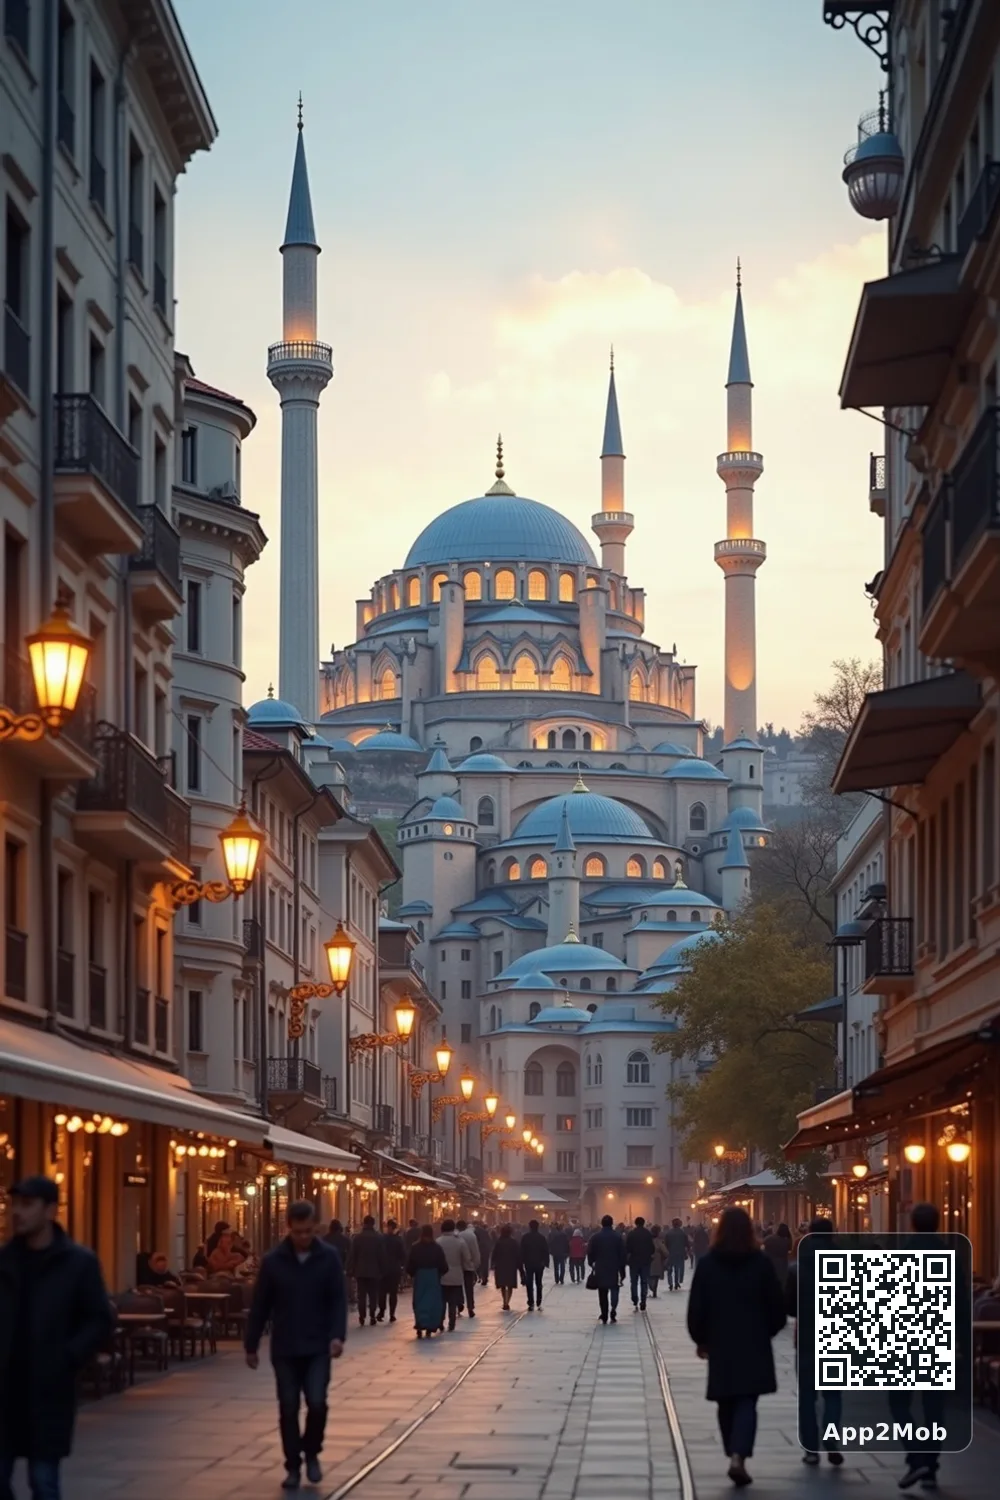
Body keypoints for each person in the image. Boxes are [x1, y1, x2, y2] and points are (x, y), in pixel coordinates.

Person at [0, 1176, 112, 1500]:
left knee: (44, 1480)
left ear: (50, 1211)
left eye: (26, 1205)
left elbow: (98, 1319)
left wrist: (67, 1358)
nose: (16, 1213)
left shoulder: (77, 1264)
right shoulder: (5, 1261)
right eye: (13, 1205)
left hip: (47, 1391)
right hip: (5, 1389)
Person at [245, 1201, 346, 1492]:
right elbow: (261, 1304)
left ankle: (312, 1452)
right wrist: (251, 1344)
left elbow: (337, 1300)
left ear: (315, 1228)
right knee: (288, 1407)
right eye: (298, 1232)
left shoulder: (328, 1257)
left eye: (308, 1232)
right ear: (289, 1228)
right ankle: (292, 1465)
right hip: (286, 1346)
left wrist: (337, 1335)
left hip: (318, 1346)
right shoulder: (274, 1261)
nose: (304, 1237)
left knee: (316, 1402)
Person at [686, 1206, 786, 1490]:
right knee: (747, 1401)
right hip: (753, 1343)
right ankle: (739, 1455)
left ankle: (733, 1451)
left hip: (721, 1344)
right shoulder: (761, 1263)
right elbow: (776, 1306)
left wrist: (701, 1339)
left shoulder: (707, 1264)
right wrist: (767, 1331)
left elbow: (697, 1308)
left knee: (725, 1400)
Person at [784, 1216, 843, 1469]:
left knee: (807, 1396)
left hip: (807, 1337)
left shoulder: (797, 1268)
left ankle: (810, 1447)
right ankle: (831, 1439)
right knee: (833, 1395)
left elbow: (789, 1307)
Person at [407, 1225, 448, 1337]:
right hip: (433, 1277)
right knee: (433, 1302)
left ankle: (420, 1324)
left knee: (419, 1301)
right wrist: (439, 1273)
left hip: (420, 1277)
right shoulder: (437, 1248)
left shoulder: (415, 1247)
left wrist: (412, 1274)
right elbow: (444, 1265)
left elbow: (410, 1263)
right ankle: (430, 1325)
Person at [345, 1215, 386, 1328]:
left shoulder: (357, 1238)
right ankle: (372, 1315)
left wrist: (350, 1268)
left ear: (364, 1223)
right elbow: (382, 1256)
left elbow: (352, 1255)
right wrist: (383, 1269)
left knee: (361, 1295)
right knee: (373, 1294)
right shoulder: (378, 1238)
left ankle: (362, 1315)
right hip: (374, 1271)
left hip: (361, 1271)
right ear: (373, 1224)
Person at [588, 1214, 626, 1325]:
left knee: (602, 1292)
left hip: (600, 1267)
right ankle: (613, 1308)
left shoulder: (595, 1237)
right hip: (614, 1267)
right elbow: (622, 1254)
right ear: (612, 1223)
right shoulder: (618, 1237)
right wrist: (622, 1269)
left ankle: (604, 1313)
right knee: (614, 1289)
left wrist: (592, 1264)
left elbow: (590, 1252)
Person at [437, 1220, 473, 1330]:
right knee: (453, 1300)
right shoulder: (460, 1242)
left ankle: (440, 1320)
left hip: (442, 1275)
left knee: (442, 1300)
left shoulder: (438, 1242)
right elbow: (467, 1258)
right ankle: (452, 1322)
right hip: (456, 1275)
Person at [625, 1216, 656, 1311]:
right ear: (643, 1223)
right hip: (645, 1261)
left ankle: (635, 1298)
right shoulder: (648, 1234)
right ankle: (643, 1300)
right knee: (644, 1281)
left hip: (634, 1261)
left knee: (634, 1281)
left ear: (635, 1223)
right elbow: (652, 1248)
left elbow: (627, 1248)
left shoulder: (631, 1234)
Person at [379, 1219, 406, 1323]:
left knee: (382, 1292)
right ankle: (391, 1314)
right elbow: (403, 1255)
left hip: (383, 1268)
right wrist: (403, 1266)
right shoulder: (398, 1240)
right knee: (393, 1293)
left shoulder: (382, 1239)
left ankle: (382, 1311)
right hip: (394, 1268)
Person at [519, 1219, 550, 1311]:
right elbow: (546, 1251)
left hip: (529, 1263)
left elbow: (522, 1251)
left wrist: (521, 1262)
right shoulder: (541, 1238)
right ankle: (539, 1301)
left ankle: (531, 1302)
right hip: (539, 1264)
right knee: (539, 1282)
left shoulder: (525, 1237)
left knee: (529, 1282)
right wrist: (545, 1262)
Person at [490, 1224, 522, 1311]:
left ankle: (505, 1301)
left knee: (503, 1285)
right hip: (511, 1266)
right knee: (510, 1285)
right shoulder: (514, 1242)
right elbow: (518, 1255)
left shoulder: (499, 1242)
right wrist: (521, 1269)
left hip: (501, 1266)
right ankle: (507, 1301)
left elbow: (494, 1254)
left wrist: (492, 1264)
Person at [762, 1222, 792, 1286]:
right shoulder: (787, 1242)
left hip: (769, 1265)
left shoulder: (769, 1238)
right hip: (782, 1267)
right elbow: (789, 1250)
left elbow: (762, 1248)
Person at [664, 1218, 690, 1291]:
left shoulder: (669, 1233)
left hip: (671, 1253)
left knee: (669, 1270)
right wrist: (688, 1250)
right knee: (677, 1269)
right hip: (680, 1253)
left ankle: (670, 1283)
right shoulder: (682, 1233)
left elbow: (666, 1244)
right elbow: (686, 1243)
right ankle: (676, 1283)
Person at [649, 1226, 668, 1299]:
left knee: (649, 1275)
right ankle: (654, 1291)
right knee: (656, 1276)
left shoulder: (647, 1240)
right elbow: (665, 1251)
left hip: (649, 1259)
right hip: (657, 1260)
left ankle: (651, 1286)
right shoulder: (658, 1241)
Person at [474, 1220, 493, 1285]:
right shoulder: (485, 1232)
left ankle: (480, 1277)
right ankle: (485, 1278)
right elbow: (489, 1240)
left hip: (479, 1250)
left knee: (479, 1264)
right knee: (485, 1264)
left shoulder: (475, 1232)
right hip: (485, 1250)